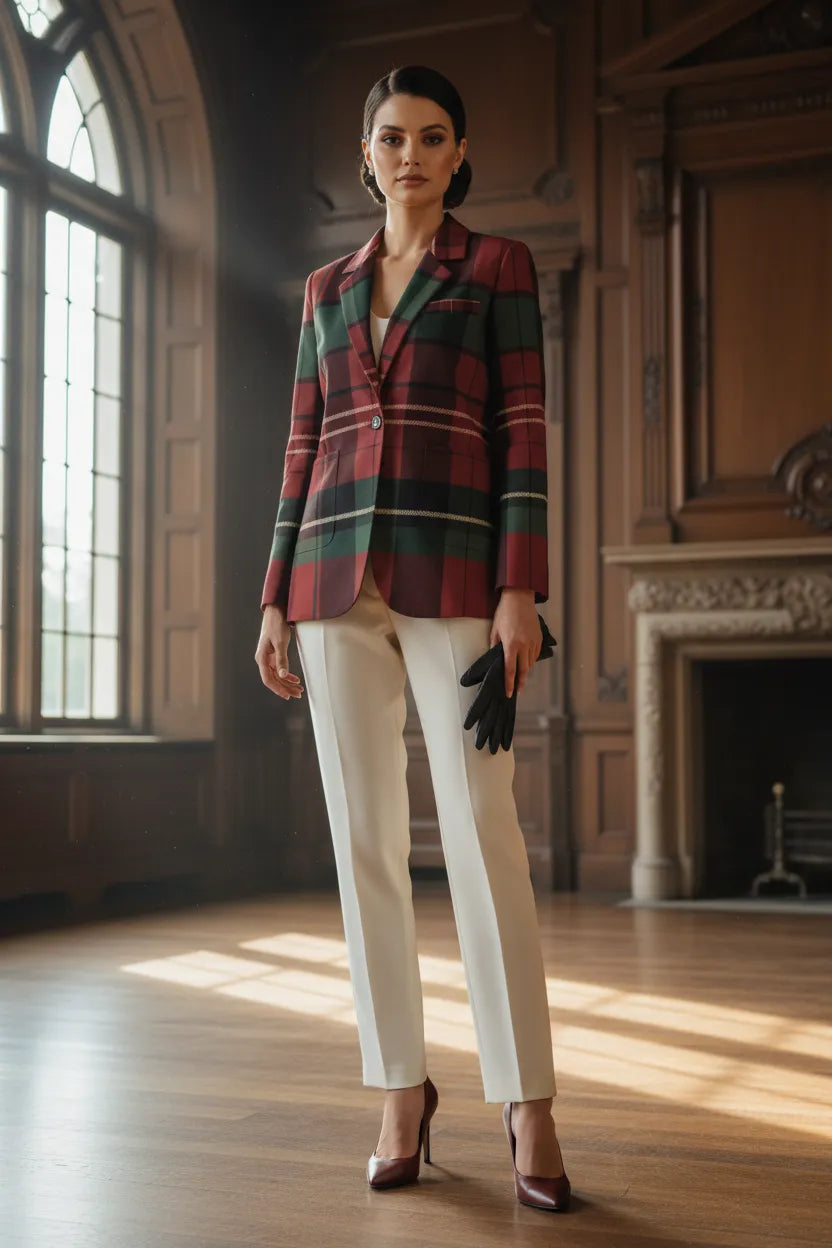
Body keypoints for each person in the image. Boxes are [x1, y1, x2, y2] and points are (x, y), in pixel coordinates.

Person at [255, 64, 570, 1212]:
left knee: (483, 831)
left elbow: (521, 432)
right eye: (393, 138)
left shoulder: (496, 270)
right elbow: (302, 445)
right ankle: (400, 1087)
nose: (412, 155)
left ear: (457, 153)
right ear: (365, 154)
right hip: (333, 583)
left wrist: (519, 589)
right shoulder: (324, 289)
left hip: (455, 575)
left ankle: (525, 1100)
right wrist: (272, 594)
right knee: (365, 847)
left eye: (433, 138)